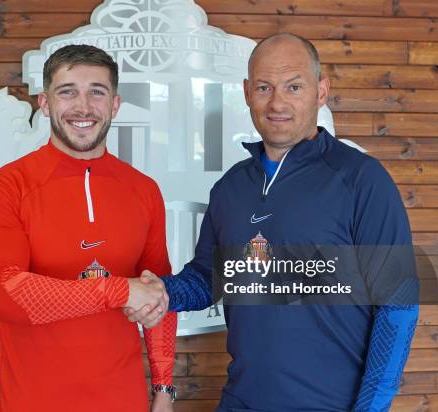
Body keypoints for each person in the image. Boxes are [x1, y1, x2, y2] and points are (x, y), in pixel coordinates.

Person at [127, 33, 419, 411]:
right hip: (241, 402)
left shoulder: (361, 179)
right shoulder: (230, 188)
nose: (277, 102)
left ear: (321, 91)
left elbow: (397, 306)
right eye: (264, 87)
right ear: (247, 92)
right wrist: (163, 292)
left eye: (293, 86)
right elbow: (207, 278)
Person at [0, 44, 177, 412]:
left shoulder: (143, 190)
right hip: (33, 403)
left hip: (124, 400)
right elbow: (7, 296)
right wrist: (118, 291)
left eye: (96, 92)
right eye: (67, 92)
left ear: (114, 105)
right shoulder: (5, 188)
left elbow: (158, 294)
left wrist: (164, 388)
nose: (83, 107)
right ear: (45, 103)